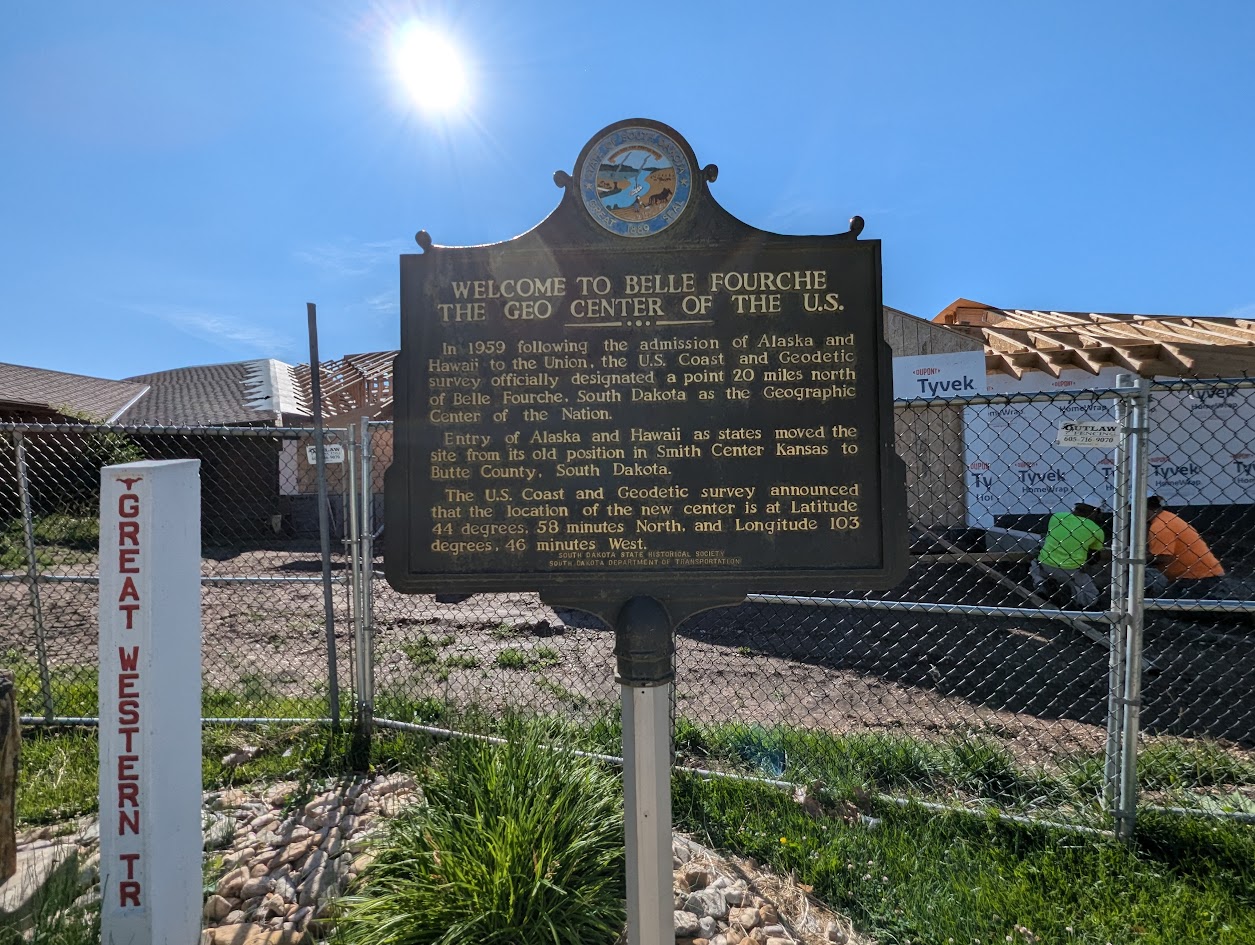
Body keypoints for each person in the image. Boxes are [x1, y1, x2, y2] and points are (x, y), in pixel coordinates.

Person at [1030, 494, 1106, 608]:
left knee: (1034, 563)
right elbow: (1095, 557)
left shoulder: (1057, 517)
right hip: (1070, 571)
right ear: (1095, 512)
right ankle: (1073, 595)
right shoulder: (1096, 530)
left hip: (1044, 565)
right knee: (1091, 594)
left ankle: (1041, 582)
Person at [1144, 496, 1227, 598]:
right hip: (1197, 576)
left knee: (1170, 609)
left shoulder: (1160, 526)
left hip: (1195, 578)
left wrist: (1138, 558)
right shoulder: (1167, 517)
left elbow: (1164, 557)